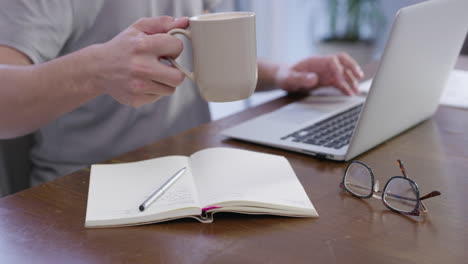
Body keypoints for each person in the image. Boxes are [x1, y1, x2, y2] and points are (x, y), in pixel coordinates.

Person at [0, 0, 363, 185]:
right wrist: (97, 70)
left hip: (193, 175)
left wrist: (285, 73)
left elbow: (210, 47)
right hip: (84, 190)